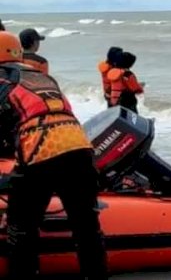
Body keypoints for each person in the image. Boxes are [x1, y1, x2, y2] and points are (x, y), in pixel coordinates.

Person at [0, 31, 108, 280]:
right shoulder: (40, 76)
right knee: (87, 229)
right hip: (79, 147)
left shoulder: (2, 80)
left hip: (42, 150)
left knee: (21, 228)